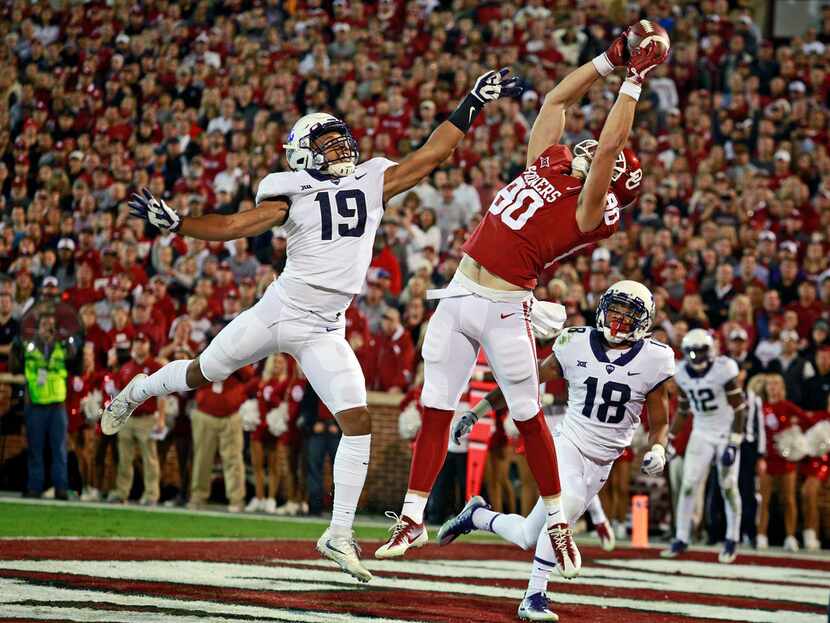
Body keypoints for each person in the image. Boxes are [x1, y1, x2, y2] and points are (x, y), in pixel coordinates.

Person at [101, 68, 522, 583]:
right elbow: (236, 225)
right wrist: (180, 223)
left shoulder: (371, 178)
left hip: (327, 326)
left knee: (358, 423)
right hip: (279, 311)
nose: (340, 147)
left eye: (340, 138)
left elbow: (432, 156)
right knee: (202, 372)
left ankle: (338, 534)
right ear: (302, 152)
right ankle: (139, 390)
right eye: (326, 142)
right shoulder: (288, 189)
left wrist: (472, 101)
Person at [376, 29, 661, 578]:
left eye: (603, 158)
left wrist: (633, 81)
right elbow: (557, 100)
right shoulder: (551, 165)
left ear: (612, 179)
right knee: (437, 406)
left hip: (506, 306)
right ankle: (411, 517)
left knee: (529, 415)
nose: (582, 148)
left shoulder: (593, 210)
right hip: (460, 290)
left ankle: (556, 519)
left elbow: (604, 151)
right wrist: (606, 61)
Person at [438, 282, 674, 622]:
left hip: (603, 461)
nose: (619, 320)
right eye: (616, 310)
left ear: (644, 321)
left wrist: (659, 448)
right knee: (569, 501)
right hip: (568, 443)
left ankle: (475, 516)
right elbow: (523, 381)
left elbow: (660, 419)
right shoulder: (575, 342)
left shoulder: (655, 359)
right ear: (603, 308)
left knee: (527, 536)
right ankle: (534, 595)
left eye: (629, 314)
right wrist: (479, 410)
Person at [662, 329, 747, 563]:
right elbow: (682, 409)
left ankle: (732, 538)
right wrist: (669, 439)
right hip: (701, 432)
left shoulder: (724, 369)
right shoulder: (681, 373)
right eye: (692, 352)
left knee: (728, 486)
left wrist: (734, 443)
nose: (697, 357)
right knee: (688, 485)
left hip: (725, 431)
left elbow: (740, 408)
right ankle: (681, 537)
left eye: (701, 351)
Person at [11, 309, 81, 499]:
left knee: (59, 449)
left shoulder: (63, 347)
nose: (47, 329)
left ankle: (60, 488)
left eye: (50, 325)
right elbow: (15, 365)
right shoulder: (28, 346)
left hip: (57, 404)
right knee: (35, 448)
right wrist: (16, 347)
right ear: (37, 328)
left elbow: (77, 362)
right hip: (35, 403)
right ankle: (35, 487)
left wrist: (71, 341)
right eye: (43, 325)